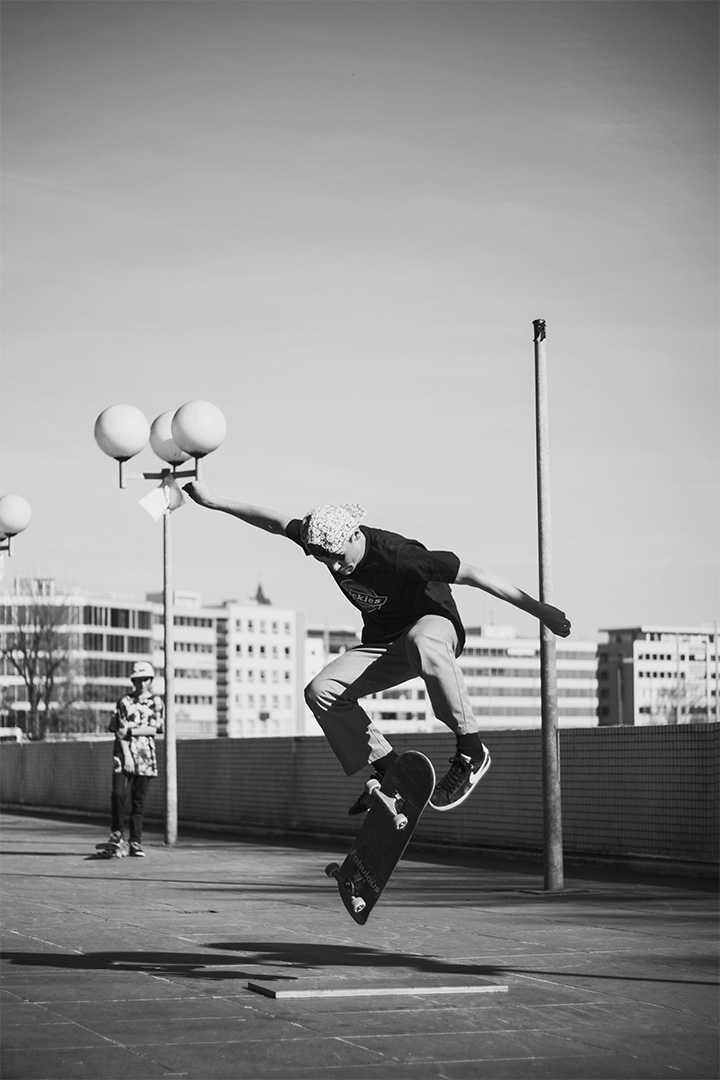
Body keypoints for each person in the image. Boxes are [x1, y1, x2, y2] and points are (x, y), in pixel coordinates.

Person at [184, 483, 571, 812]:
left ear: (354, 536)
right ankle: (390, 771)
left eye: (337, 558)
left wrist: (542, 612)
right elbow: (271, 520)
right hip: (386, 643)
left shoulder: (398, 556)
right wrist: (214, 500)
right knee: (322, 692)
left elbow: (476, 575)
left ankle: (471, 749)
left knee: (423, 640)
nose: (335, 568)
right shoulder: (321, 536)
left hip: (434, 628)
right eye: (324, 561)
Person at [106, 660, 164, 856]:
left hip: (145, 755)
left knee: (138, 800)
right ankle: (116, 835)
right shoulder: (124, 702)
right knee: (118, 794)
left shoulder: (156, 702)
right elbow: (118, 732)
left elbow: (156, 728)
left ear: (150, 680)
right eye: (137, 679)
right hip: (122, 755)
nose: (141, 683)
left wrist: (131, 730)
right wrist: (128, 755)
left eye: (144, 679)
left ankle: (135, 841)